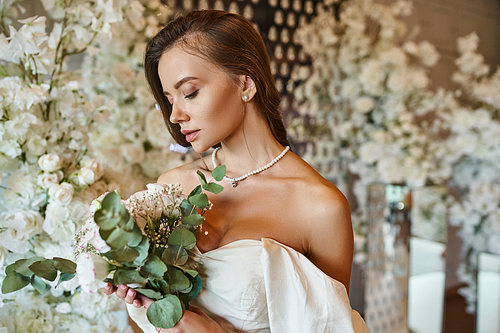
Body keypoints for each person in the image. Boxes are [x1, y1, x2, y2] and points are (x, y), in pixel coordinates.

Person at [103, 9, 368, 333]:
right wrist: (135, 292)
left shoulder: (320, 208)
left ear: (245, 83)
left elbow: (331, 328)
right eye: (169, 99)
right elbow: (140, 322)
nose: (175, 115)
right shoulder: (171, 187)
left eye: (190, 93)